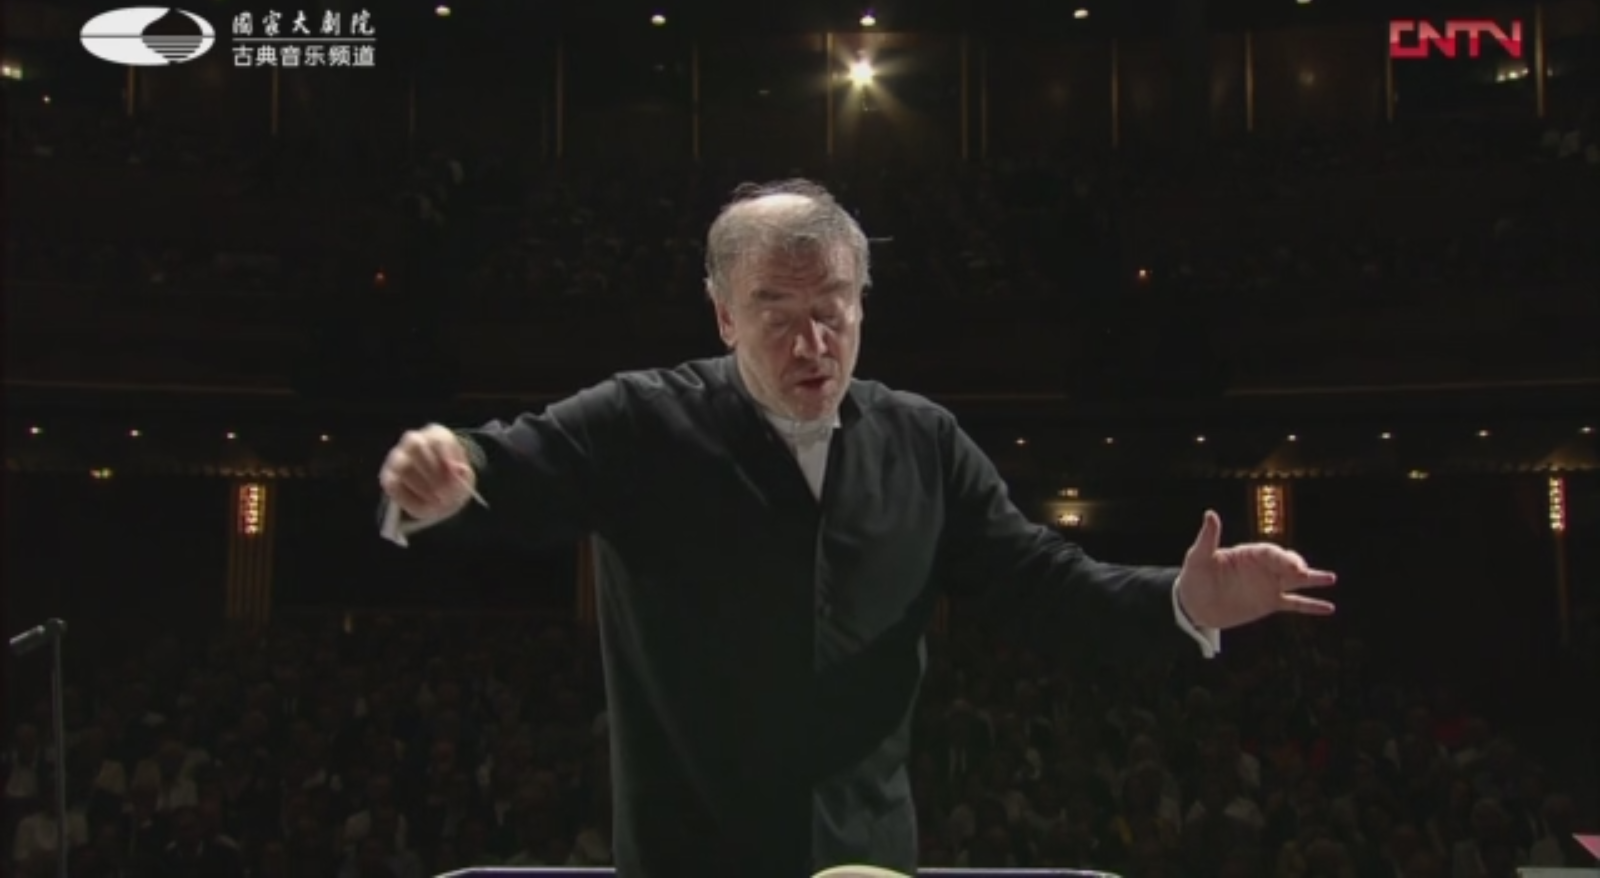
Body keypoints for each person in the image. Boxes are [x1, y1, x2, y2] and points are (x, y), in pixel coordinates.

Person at [377, 179, 1337, 878]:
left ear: (861, 301)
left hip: (862, 861)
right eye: (777, 313)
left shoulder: (924, 443)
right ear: (723, 315)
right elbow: (505, 465)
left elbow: (1041, 582)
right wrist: (445, 474)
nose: (813, 343)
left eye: (832, 310)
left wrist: (1181, 600)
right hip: (687, 858)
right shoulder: (639, 424)